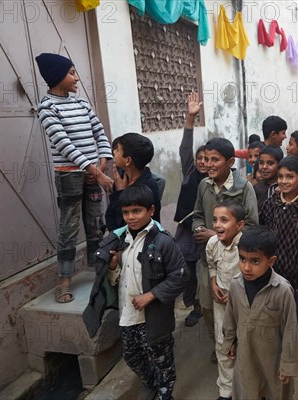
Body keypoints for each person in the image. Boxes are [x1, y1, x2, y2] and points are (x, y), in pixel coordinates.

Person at [84, 184, 189, 400]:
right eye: (126, 212)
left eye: (136, 211)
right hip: (129, 315)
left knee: (162, 361)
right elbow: (115, 280)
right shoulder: (120, 241)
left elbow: (180, 276)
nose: (130, 217)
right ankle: (152, 383)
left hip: (153, 317)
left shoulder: (163, 241)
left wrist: (151, 295)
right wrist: (113, 266)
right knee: (132, 357)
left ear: (150, 210)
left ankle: (164, 393)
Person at [35, 52, 114, 303]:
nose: (76, 78)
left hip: (92, 172)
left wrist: (102, 159)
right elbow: (64, 145)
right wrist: (95, 171)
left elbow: (98, 131)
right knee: (68, 226)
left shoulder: (81, 104)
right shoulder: (47, 107)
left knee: (95, 221)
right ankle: (64, 281)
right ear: (57, 76)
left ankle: (99, 272)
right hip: (70, 175)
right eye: (71, 73)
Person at [192, 137, 258, 361]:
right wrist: (199, 228)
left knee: (236, 304)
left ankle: (239, 344)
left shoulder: (243, 187)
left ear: (230, 162)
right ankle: (220, 343)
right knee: (209, 305)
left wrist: (217, 234)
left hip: (235, 260)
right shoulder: (204, 185)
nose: (209, 164)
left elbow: (251, 224)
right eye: (206, 159)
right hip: (209, 259)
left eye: (215, 160)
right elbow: (198, 214)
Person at [260, 156, 298, 374]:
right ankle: (280, 350)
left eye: (290, 177)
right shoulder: (271, 205)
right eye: (281, 177)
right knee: (275, 313)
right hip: (274, 273)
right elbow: (264, 233)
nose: (284, 181)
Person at [221, 226, 298, 400]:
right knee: (246, 390)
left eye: (255, 261)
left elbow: (291, 331)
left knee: (277, 393)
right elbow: (230, 317)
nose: (246, 267)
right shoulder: (236, 285)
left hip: (273, 360)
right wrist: (230, 341)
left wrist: (288, 365)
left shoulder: (282, 291)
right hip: (246, 355)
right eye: (242, 259)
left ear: (271, 261)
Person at [174, 92, 208, 328]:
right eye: (201, 159)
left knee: (206, 271)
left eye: (209, 159)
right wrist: (190, 118)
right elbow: (185, 149)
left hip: (209, 232)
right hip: (187, 230)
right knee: (186, 271)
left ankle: (207, 305)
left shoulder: (220, 181)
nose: (204, 162)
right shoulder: (190, 173)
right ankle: (195, 306)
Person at [206, 201, 246, 400]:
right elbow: (211, 265)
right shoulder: (212, 243)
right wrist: (213, 283)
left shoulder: (246, 246)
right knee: (223, 345)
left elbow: (255, 276)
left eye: (224, 220)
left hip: (244, 307)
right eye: (214, 220)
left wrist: (235, 296)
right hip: (221, 305)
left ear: (239, 225)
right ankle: (226, 391)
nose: (217, 225)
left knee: (245, 345)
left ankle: (249, 389)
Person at [106, 133, 161, 231]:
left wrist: (121, 192)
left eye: (117, 150)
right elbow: (110, 218)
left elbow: (125, 224)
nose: (114, 152)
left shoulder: (148, 186)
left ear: (127, 160)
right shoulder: (121, 179)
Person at [253, 145, 283, 210]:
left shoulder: (285, 187)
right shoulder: (256, 189)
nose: (264, 167)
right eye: (261, 163)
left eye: (270, 163)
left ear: (279, 164)